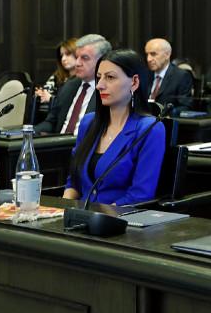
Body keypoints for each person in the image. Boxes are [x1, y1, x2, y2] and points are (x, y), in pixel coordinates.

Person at [63, 49, 166, 205]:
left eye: (110, 77)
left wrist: (99, 215)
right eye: (99, 77)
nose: (99, 85)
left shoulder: (150, 129)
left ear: (134, 82)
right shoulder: (88, 122)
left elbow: (140, 194)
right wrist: (62, 210)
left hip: (118, 216)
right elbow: (74, 182)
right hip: (79, 214)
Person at [35, 34, 110, 135]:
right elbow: (51, 122)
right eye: (77, 57)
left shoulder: (109, 90)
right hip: (59, 142)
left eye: (84, 58)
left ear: (102, 60)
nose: (77, 63)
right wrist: (28, 133)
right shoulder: (69, 85)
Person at [144, 37, 193, 109]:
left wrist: (165, 112)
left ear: (167, 55)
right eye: (147, 54)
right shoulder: (144, 74)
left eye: (153, 54)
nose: (148, 59)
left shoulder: (181, 76)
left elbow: (185, 106)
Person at [36, 37, 77, 103]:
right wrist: (41, 94)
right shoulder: (57, 76)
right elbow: (45, 92)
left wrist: (51, 99)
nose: (63, 59)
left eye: (68, 54)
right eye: (61, 55)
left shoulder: (85, 79)